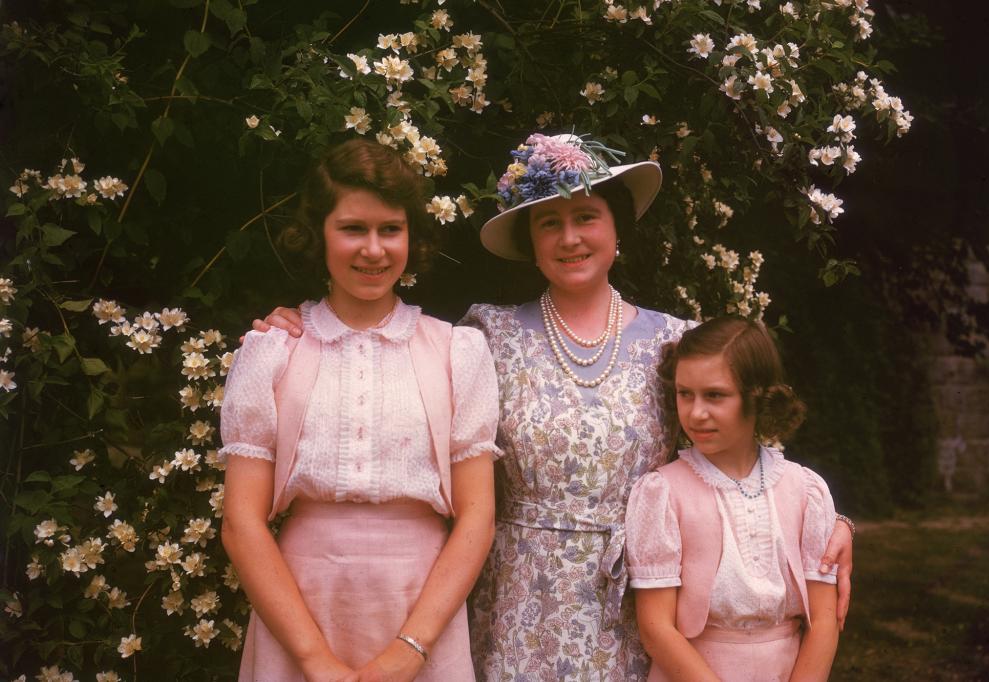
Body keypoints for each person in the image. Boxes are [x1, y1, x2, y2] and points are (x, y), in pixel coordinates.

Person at [252, 132, 854, 681]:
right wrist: (297, 328)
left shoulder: (677, 341)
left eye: (586, 217)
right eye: (549, 224)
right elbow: (391, 377)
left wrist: (834, 527)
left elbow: (745, 460)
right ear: (529, 243)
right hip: (516, 600)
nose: (570, 239)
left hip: (644, 599)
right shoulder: (485, 336)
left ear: (617, 228)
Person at [219, 139, 498, 682]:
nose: (373, 249)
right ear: (318, 235)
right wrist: (314, 660)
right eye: (352, 228)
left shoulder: (456, 352)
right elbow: (241, 522)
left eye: (390, 229)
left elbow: (477, 516)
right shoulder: (274, 351)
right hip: (300, 606)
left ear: (410, 237)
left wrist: (408, 652)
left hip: (420, 607)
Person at [625, 316, 840, 682]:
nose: (696, 413)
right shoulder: (664, 492)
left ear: (758, 396)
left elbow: (823, 621)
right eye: (685, 394)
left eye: (715, 395)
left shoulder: (804, 490)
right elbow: (656, 628)